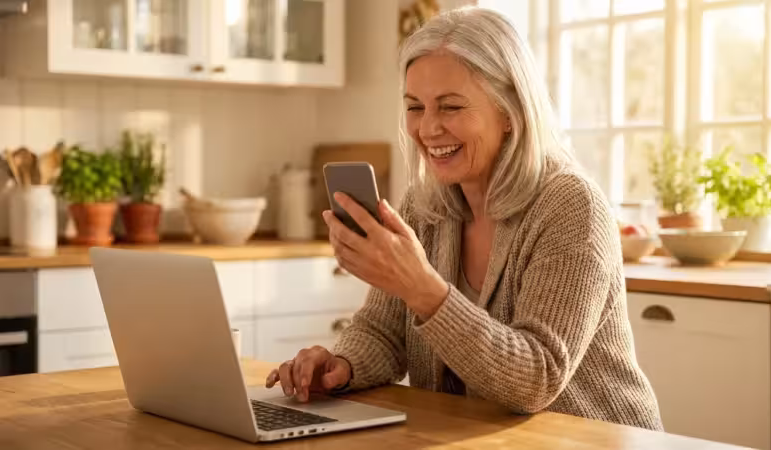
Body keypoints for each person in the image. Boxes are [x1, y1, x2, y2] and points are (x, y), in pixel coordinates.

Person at [265, 7, 663, 431]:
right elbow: (383, 331)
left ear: (510, 112)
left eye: (450, 107)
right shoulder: (424, 206)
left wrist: (422, 288)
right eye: (415, 107)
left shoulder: (571, 206)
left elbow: (536, 379)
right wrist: (342, 364)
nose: (428, 128)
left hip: (594, 438)